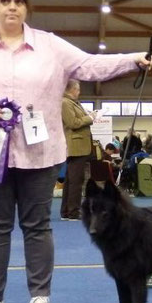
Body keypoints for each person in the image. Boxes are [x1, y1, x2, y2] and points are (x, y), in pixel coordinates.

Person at [0, 0, 152, 303]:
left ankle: (39, 298)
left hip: (39, 154)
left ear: (26, 7)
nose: (12, 7)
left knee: (37, 226)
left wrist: (133, 59)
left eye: (19, 1)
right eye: (5, 1)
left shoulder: (50, 46)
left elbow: (90, 65)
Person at [60, 79, 94, 221]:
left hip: (79, 146)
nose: (79, 93)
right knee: (76, 181)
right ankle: (73, 212)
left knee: (70, 180)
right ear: (72, 89)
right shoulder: (65, 103)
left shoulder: (72, 103)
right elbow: (73, 123)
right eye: (78, 90)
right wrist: (90, 118)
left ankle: (67, 211)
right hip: (76, 147)